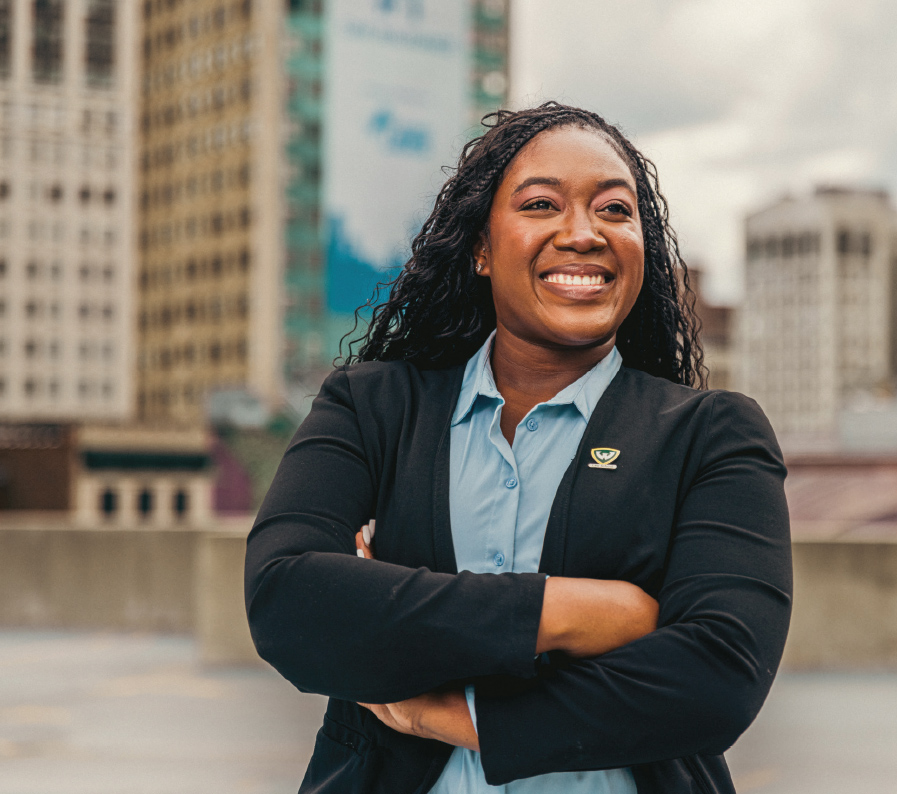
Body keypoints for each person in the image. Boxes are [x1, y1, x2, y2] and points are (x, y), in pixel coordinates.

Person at [244, 102, 792, 794]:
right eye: (541, 205)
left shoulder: (712, 435)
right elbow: (287, 599)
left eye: (615, 210)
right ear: (481, 247)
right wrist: (575, 612)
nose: (583, 233)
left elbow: (719, 675)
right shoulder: (372, 408)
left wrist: (457, 715)